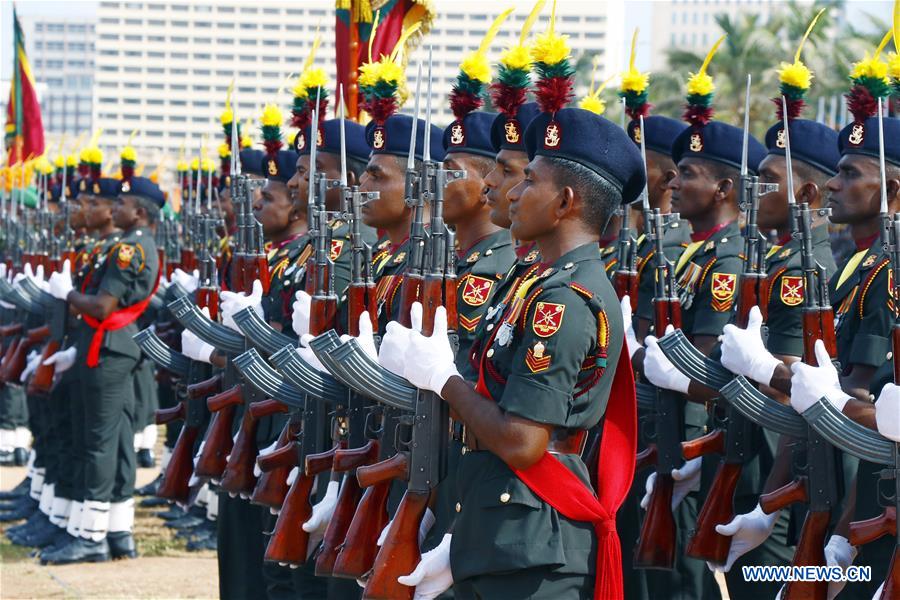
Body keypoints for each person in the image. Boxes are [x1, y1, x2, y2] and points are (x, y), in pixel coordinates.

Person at [42, 174, 163, 564]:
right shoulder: (132, 244)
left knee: (98, 441)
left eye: (123, 205)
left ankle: (91, 536)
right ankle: (113, 531)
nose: (115, 210)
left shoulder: (131, 248)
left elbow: (101, 308)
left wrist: (68, 294)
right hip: (108, 347)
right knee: (113, 440)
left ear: (139, 212)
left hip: (111, 349)